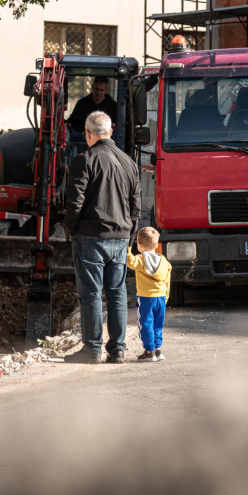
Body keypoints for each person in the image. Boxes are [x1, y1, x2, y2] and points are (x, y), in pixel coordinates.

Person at [64, 111, 141, 364]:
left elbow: (74, 203)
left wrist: (70, 229)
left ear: (88, 134)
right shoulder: (129, 162)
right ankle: (117, 349)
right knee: (117, 293)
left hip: (91, 237)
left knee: (91, 294)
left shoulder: (84, 160)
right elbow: (136, 207)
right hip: (121, 237)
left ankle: (92, 349)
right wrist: (129, 236)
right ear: (111, 131)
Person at [127, 226, 172, 363]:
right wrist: (166, 296)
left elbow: (129, 261)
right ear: (157, 245)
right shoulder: (164, 261)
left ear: (139, 245)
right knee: (158, 324)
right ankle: (158, 350)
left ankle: (149, 351)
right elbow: (167, 280)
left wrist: (128, 249)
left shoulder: (141, 260)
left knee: (145, 323)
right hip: (161, 297)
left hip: (146, 298)